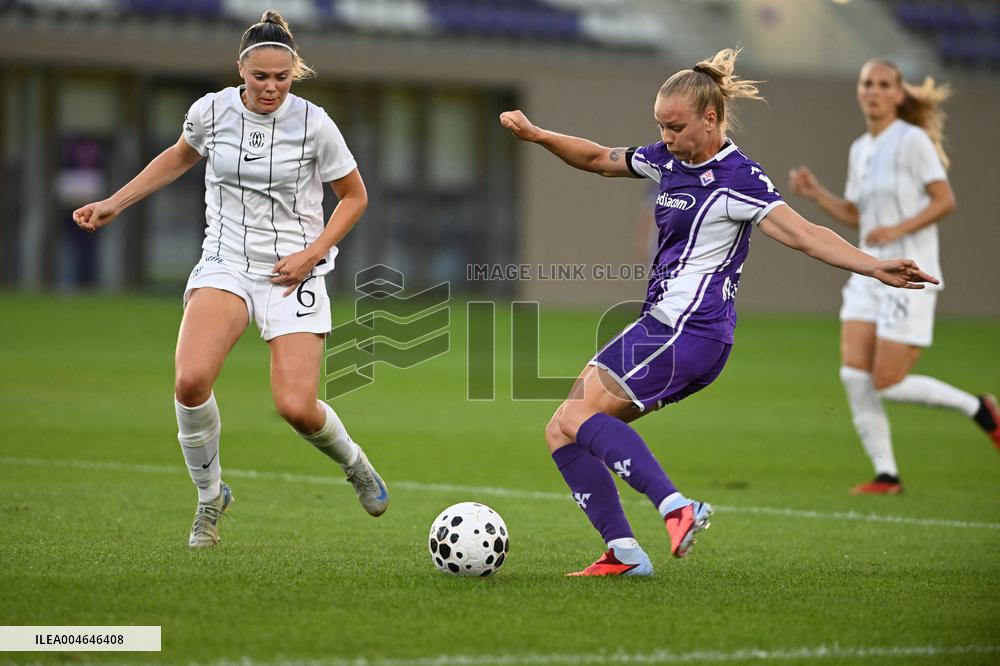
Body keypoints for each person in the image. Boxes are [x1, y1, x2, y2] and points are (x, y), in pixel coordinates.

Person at [500, 48, 939, 577]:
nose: (665, 137)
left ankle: (675, 507)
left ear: (710, 119)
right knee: (562, 428)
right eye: (660, 126)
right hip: (667, 328)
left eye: (675, 126)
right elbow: (597, 158)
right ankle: (624, 552)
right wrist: (539, 135)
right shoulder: (666, 160)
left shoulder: (739, 179)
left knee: (576, 416)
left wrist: (872, 266)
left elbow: (804, 234)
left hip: (687, 330)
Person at [72, 11, 389, 548]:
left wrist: (313, 254)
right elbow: (178, 158)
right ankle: (209, 499)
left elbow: (354, 196)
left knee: (296, 406)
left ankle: (356, 464)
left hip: (294, 270)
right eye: (260, 76)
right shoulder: (211, 110)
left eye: (281, 78)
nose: (270, 87)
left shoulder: (315, 123)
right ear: (241, 69)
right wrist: (114, 203)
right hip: (226, 260)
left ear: (295, 73)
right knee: (190, 381)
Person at [788, 58, 999, 495]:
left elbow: (945, 200)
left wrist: (899, 230)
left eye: (884, 84)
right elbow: (858, 217)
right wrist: (816, 194)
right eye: (867, 83)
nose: (874, 90)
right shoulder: (860, 149)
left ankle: (980, 409)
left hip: (910, 273)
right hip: (870, 271)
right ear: (859, 90)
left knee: (888, 382)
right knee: (853, 374)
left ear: (899, 94)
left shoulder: (913, 140)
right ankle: (887, 475)